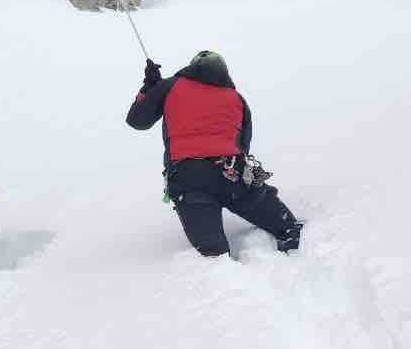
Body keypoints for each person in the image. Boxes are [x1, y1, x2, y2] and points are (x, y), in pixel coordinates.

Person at [126, 51, 303, 257]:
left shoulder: (170, 86)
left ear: (191, 69)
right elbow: (243, 145)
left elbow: (137, 120)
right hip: (233, 173)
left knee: (213, 253)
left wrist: (150, 88)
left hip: (189, 179)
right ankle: (291, 238)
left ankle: (222, 269)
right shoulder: (237, 99)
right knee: (287, 226)